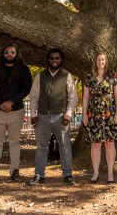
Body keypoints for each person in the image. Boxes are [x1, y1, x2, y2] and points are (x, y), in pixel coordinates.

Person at [27, 48, 78, 185]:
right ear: (48, 60)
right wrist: (33, 115)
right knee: (41, 147)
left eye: (57, 58)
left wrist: (68, 114)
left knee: (64, 146)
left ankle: (67, 175)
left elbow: (73, 97)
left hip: (61, 117)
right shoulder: (40, 76)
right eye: (52, 58)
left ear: (61, 60)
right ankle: (39, 175)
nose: (54, 61)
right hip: (43, 116)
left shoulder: (67, 75)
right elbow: (33, 96)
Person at [0, 43, 33, 183]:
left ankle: (15, 171)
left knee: (14, 142)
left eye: (12, 52)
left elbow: (26, 88)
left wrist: (11, 102)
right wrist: (0, 103)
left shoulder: (24, 70)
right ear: (3, 54)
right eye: (7, 52)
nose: (9, 55)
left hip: (16, 111)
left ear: (17, 54)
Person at [82, 52, 117, 184]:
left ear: (106, 61)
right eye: (99, 59)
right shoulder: (89, 78)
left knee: (110, 143)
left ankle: (110, 173)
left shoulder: (112, 76)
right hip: (93, 114)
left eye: (103, 59)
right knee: (95, 144)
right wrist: (84, 114)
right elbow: (86, 97)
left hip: (110, 114)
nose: (101, 62)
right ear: (95, 61)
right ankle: (95, 173)